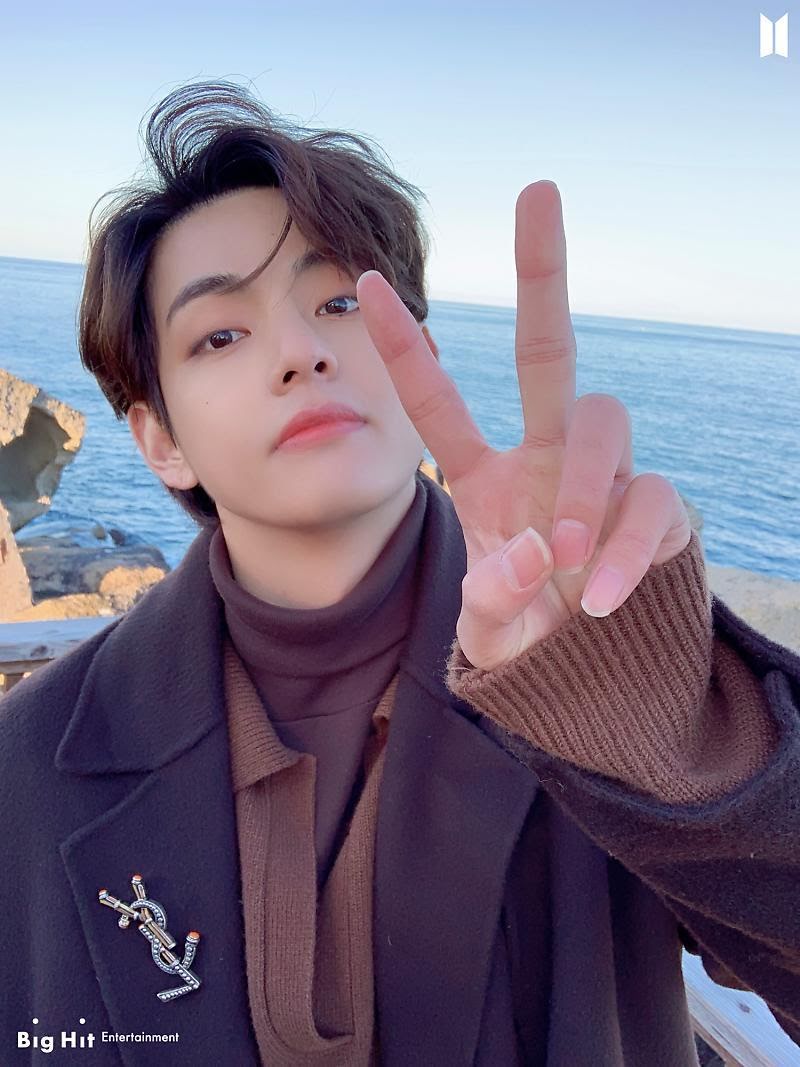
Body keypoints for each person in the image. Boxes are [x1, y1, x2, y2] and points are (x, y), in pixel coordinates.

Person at [1, 79, 798, 1066]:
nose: (300, 351)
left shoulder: (585, 668)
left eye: (340, 301)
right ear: (159, 439)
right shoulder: (31, 762)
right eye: (220, 334)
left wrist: (675, 730)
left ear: (419, 350)